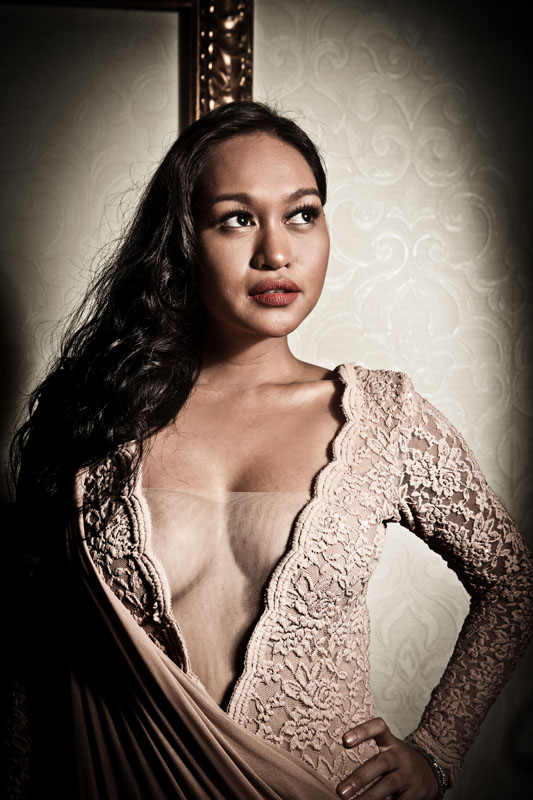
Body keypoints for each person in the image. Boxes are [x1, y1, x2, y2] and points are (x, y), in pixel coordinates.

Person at [7, 100, 533, 800]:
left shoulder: (383, 419)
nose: (276, 253)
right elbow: (29, 648)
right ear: (181, 241)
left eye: (302, 214)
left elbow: (512, 581)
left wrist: (436, 752)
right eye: (236, 219)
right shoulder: (97, 425)